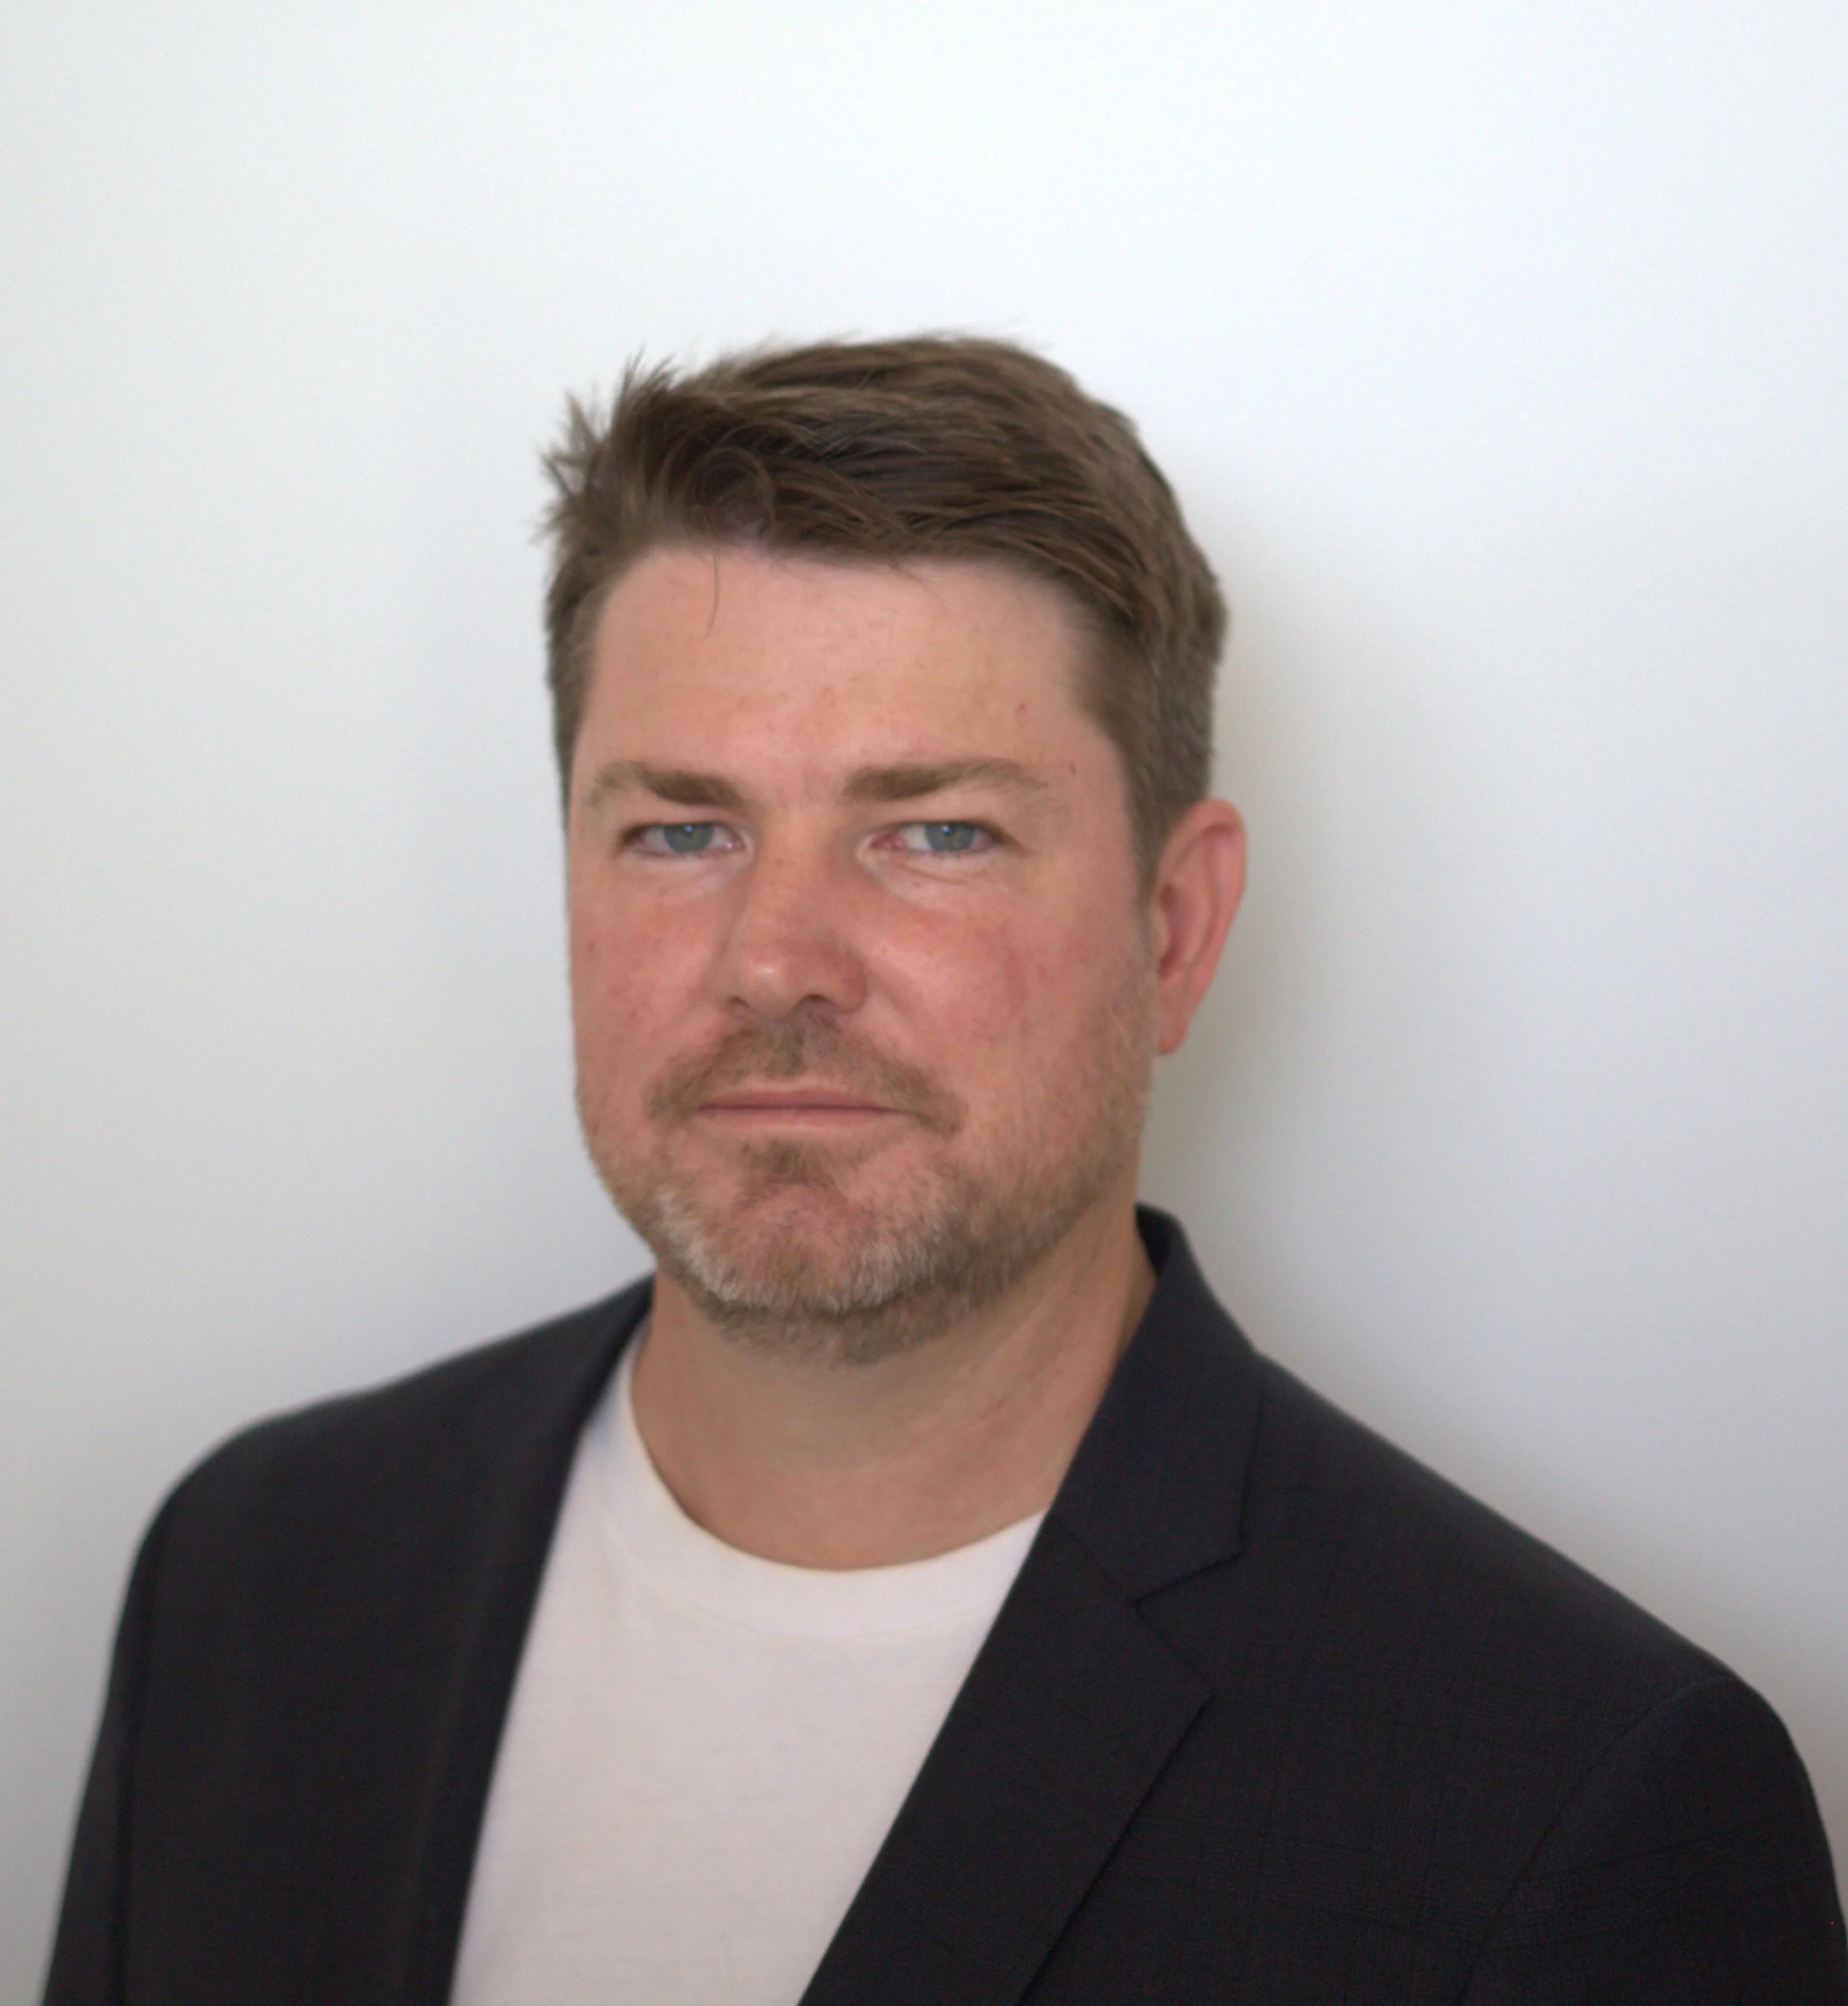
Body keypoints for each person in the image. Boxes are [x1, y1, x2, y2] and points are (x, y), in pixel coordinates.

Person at [45, 336, 1845, 2005]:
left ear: (1174, 923)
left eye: (932, 831)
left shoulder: (1578, 1796)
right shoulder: (256, 1577)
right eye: (681, 828)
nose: (776, 957)